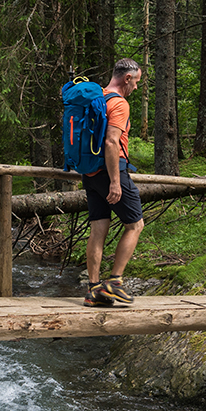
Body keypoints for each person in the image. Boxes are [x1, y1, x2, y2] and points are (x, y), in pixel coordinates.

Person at [83, 58, 145, 307]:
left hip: (89, 171)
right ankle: (114, 281)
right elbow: (111, 142)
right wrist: (116, 182)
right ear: (127, 78)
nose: (137, 88)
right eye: (137, 82)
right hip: (111, 171)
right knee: (135, 225)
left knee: (98, 228)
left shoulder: (96, 97)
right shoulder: (118, 103)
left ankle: (94, 289)